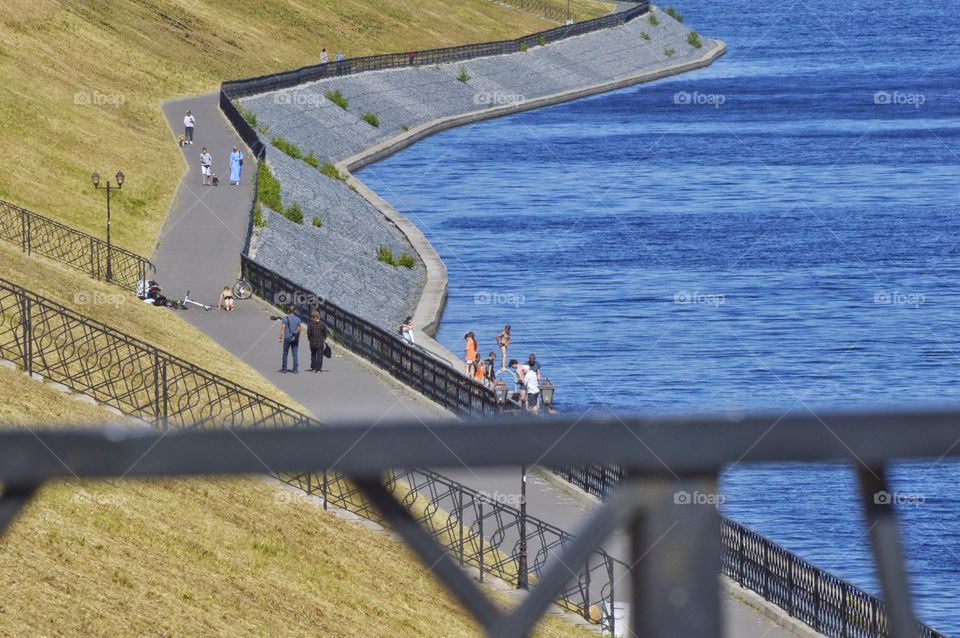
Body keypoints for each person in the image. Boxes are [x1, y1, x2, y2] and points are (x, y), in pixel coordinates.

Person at [278, 305, 302, 373]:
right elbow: (299, 328)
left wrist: (280, 337)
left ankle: (284, 368)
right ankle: (295, 369)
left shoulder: (285, 319)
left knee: (285, 353)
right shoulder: (298, 319)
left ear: (288, 311)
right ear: (294, 311)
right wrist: (295, 333)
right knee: (295, 354)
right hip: (295, 338)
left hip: (287, 338)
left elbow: (283, 329)